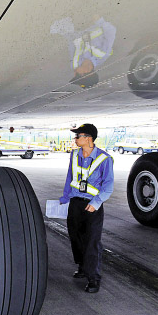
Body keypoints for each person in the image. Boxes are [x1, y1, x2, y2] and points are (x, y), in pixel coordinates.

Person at [59, 124, 114, 293]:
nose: (75, 139)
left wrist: (96, 203)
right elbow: (70, 176)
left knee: (91, 242)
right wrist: (65, 197)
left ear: (88, 138)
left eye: (77, 136)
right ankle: (83, 268)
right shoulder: (74, 155)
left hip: (93, 205)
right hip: (75, 203)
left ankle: (93, 278)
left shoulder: (104, 159)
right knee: (76, 237)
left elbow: (108, 185)